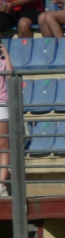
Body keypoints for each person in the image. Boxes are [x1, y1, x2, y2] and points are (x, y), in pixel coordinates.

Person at [0, 43, 9, 198]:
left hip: (2, 103)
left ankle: (2, 184)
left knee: (3, 144)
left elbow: (10, 75)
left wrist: (6, 54)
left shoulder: (2, 60)